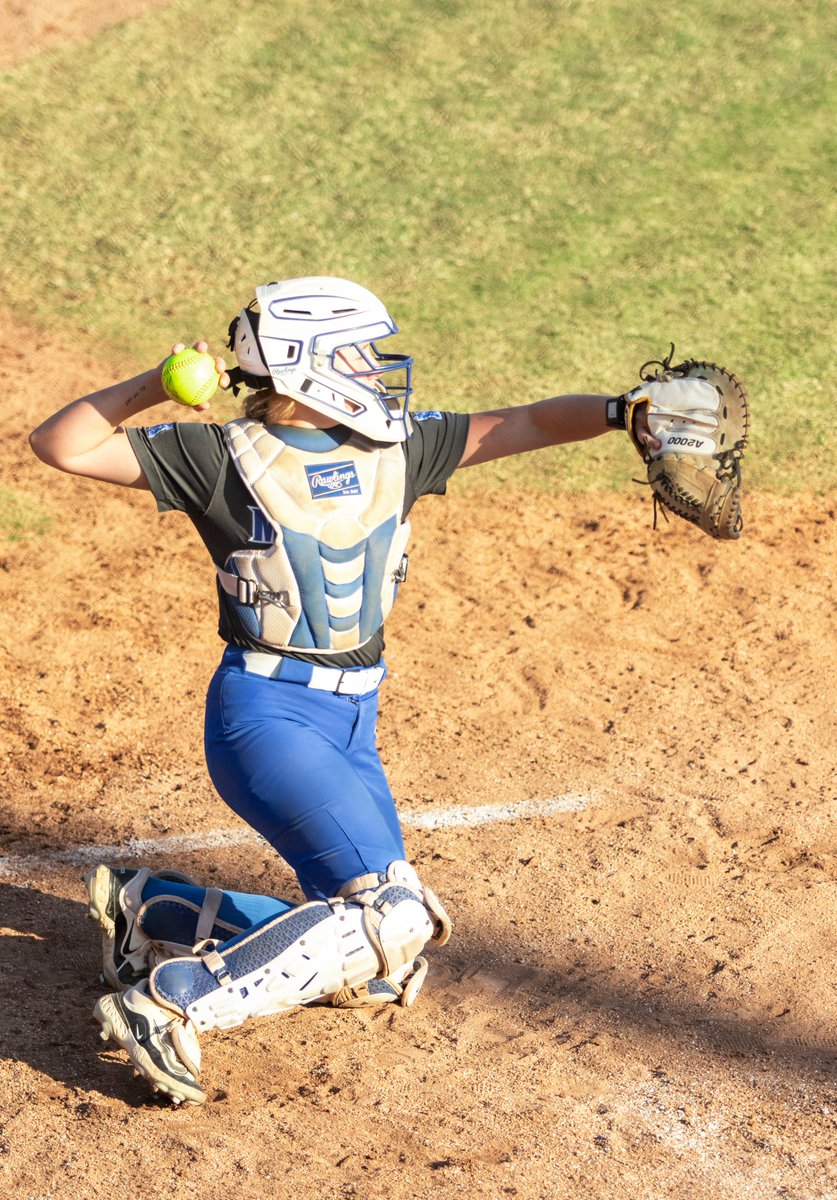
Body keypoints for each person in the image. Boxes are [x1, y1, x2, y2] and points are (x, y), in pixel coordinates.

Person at [29, 276, 659, 1106]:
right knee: (390, 913)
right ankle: (170, 1003)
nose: (377, 371)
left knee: (375, 960)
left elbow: (531, 421)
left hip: (352, 723)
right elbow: (62, 445)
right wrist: (153, 384)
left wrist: (623, 412)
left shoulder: (403, 446)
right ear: (306, 365)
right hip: (267, 718)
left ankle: (164, 910)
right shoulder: (219, 458)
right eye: (360, 355)